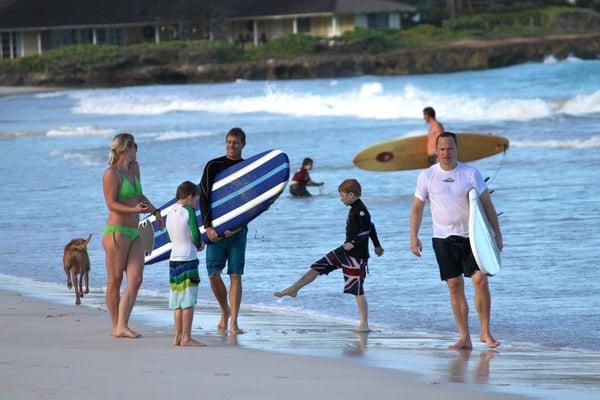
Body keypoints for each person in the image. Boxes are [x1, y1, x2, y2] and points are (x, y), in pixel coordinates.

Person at [410, 132, 503, 350]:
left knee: (480, 280)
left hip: (471, 236)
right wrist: (413, 236)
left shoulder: (470, 173)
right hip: (442, 238)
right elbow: (416, 208)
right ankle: (464, 337)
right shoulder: (427, 176)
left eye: (450, 148)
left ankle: (485, 332)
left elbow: (487, 205)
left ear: (457, 149)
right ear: (436, 150)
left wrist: (497, 234)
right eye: (441, 149)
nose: (446, 153)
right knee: (454, 286)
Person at [275, 179, 384, 332]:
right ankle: (294, 289)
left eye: (342, 195)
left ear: (351, 195)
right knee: (318, 266)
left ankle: (364, 323)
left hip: (356, 257)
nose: (341, 198)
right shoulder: (354, 208)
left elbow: (367, 229)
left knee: (357, 290)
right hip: (344, 252)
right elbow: (370, 227)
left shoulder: (361, 210)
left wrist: (357, 243)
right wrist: (377, 245)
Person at [102, 133, 164, 338]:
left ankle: (122, 324)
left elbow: (139, 196)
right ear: (127, 148)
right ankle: (116, 327)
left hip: (134, 231)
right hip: (116, 233)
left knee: (136, 279)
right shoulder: (111, 174)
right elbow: (111, 204)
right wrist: (135, 211)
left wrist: (155, 211)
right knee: (116, 279)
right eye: (136, 146)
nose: (137, 150)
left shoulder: (135, 168)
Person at [199, 127, 248, 334]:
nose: (231, 146)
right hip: (215, 230)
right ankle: (224, 311)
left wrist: (236, 227)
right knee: (212, 274)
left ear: (243, 144)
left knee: (235, 274)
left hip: (239, 231)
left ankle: (234, 321)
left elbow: (252, 202)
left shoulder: (249, 168)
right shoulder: (214, 165)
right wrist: (208, 227)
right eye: (228, 142)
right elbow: (203, 196)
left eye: (235, 142)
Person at [166, 181, 206, 347]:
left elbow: (170, 237)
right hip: (188, 260)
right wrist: (200, 245)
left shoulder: (170, 212)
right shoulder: (188, 210)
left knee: (177, 302)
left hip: (173, 259)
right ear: (190, 197)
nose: (195, 204)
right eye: (195, 200)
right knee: (188, 301)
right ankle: (187, 338)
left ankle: (177, 337)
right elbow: (196, 234)